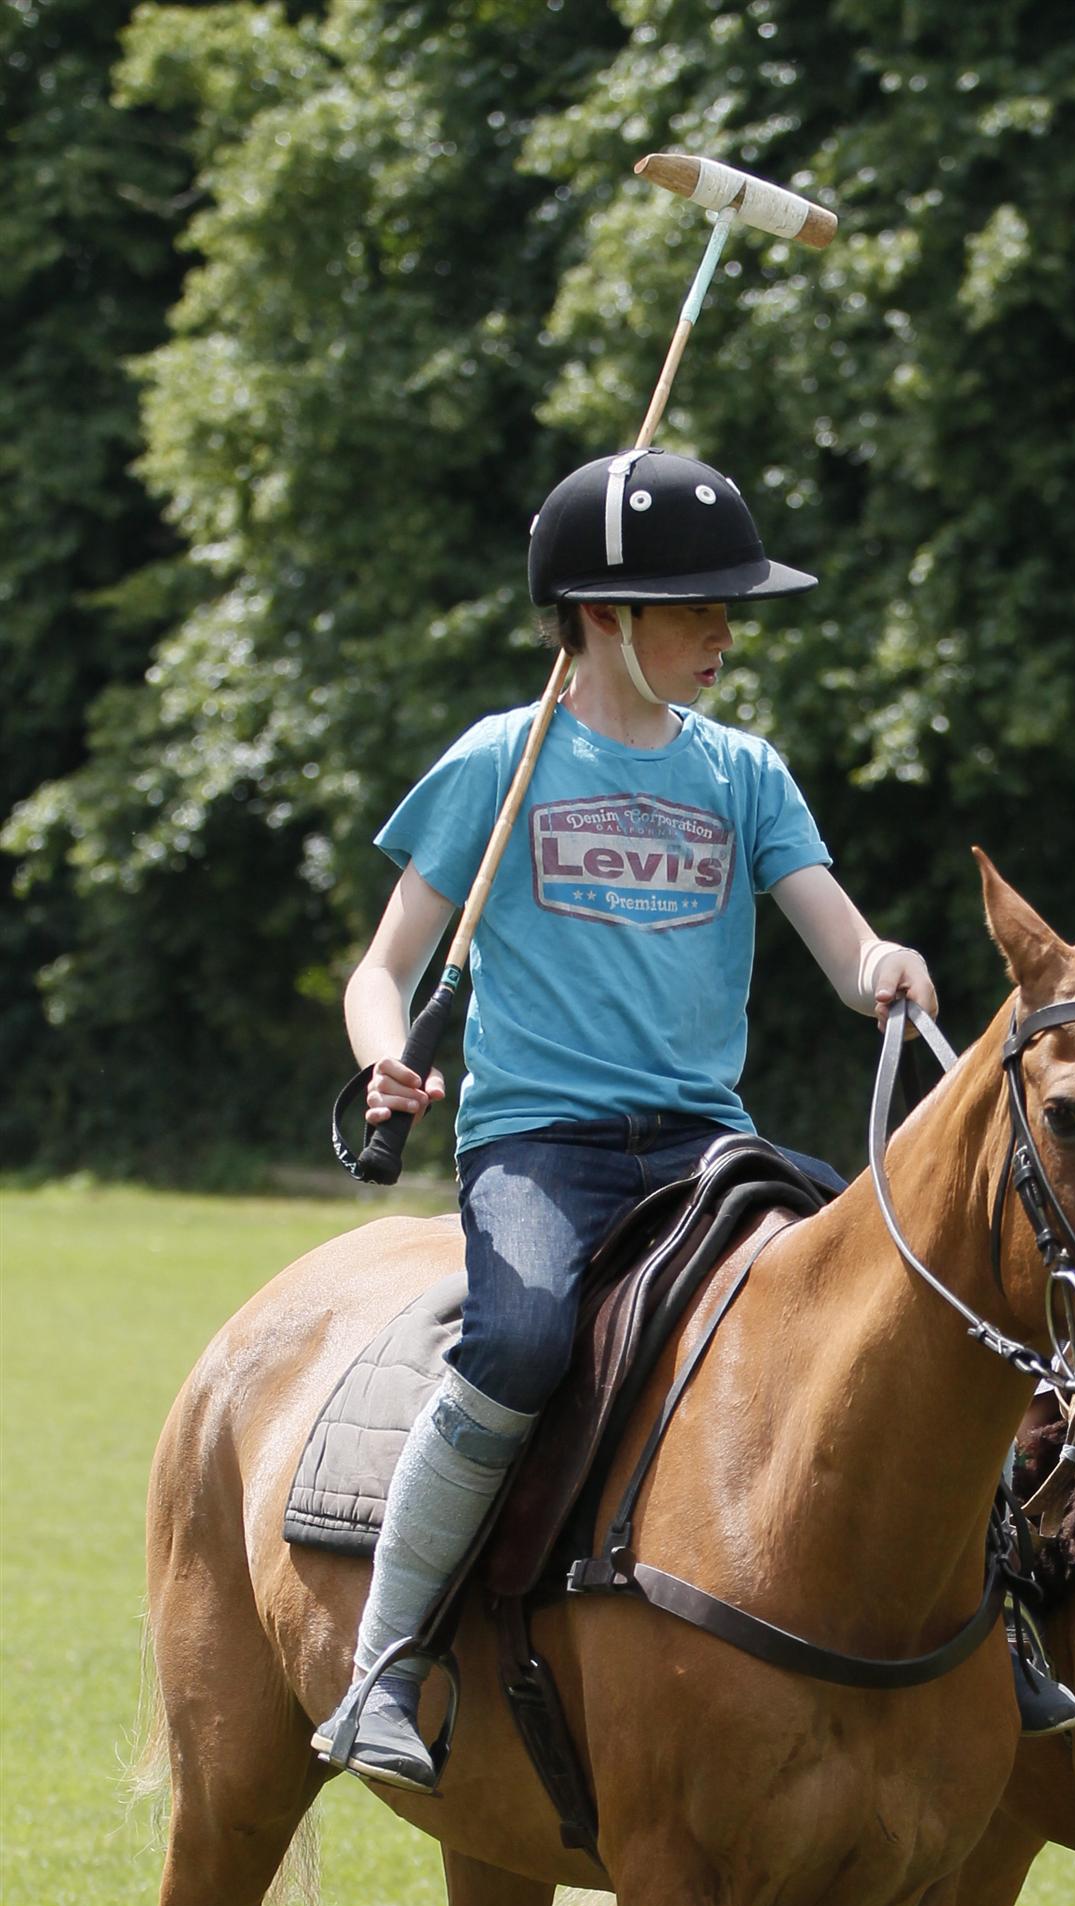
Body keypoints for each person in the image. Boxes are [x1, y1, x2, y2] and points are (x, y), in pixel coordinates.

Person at [314, 445, 939, 1794]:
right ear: (603, 616)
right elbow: (386, 969)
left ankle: (994, 1628)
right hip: (543, 1144)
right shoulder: (500, 762)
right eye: (695, 607)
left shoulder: (744, 775)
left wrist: (883, 963)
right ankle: (383, 1659)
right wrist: (384, 1060)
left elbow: (841, 942)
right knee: (524, 1336)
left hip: (708, 1141)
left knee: (894, 1301)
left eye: (730, 607)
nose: (725, 632)